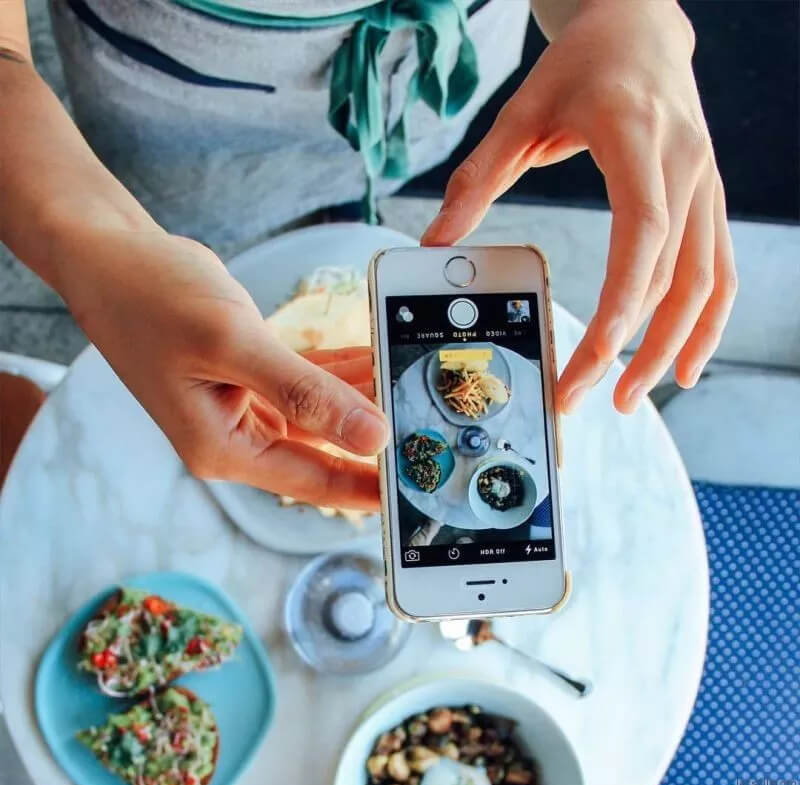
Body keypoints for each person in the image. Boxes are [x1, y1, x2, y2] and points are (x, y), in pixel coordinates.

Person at [0, 0, 736, 509]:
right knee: (199, 208)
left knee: (413, 164)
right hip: (184, 104)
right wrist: (89, 244)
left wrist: (627, 15)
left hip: (438, 69)